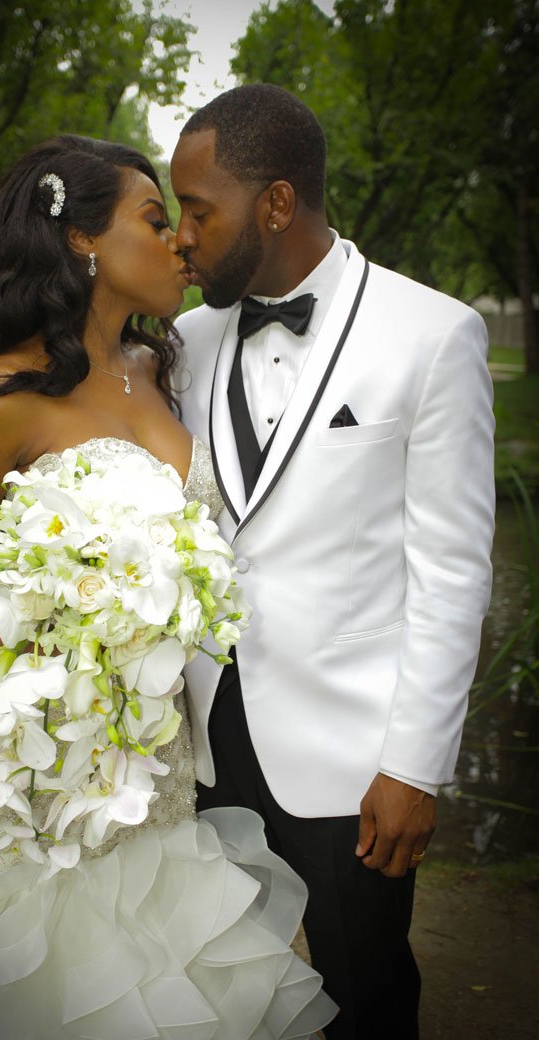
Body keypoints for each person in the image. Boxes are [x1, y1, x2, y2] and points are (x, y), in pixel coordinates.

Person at [0, 135, 337, 1038]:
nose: (181, 243)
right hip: (61, 750)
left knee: (167, 970)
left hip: (165, 750)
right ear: (81, 242)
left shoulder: (166, 368)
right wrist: (50, 657)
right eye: (156, 221)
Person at [171, 84, 495, 1040]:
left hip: (351, 763)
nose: (182, 236)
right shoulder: (183, 344)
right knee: (212, 989)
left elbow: (450, 572)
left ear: (274, 204)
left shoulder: (433, 335)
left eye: (198, 212)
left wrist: (415, 767)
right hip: (195, 743)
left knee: (364, 993)